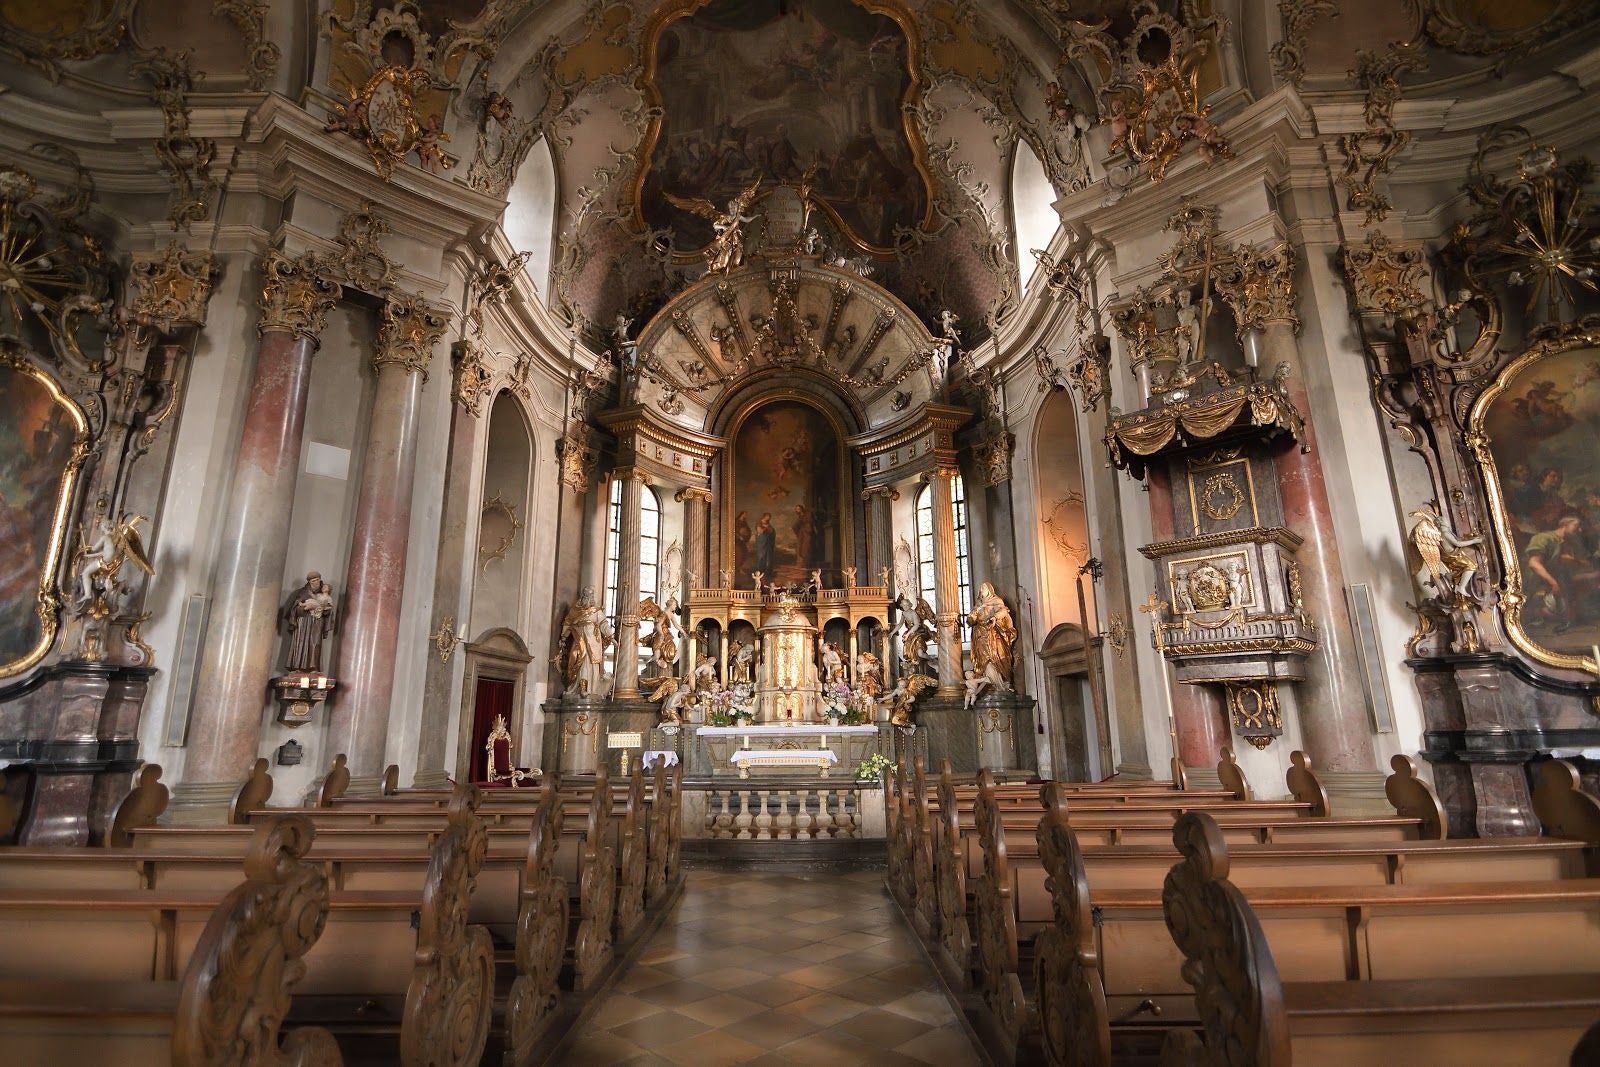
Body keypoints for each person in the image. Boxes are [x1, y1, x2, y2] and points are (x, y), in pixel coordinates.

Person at [282, 572, 335, 673]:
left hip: (317, 621)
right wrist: (304, 608)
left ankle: (314, 668)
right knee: (300, 642)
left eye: (317, 580)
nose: (316, 582)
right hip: (303, 622)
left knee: (315, 643)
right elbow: (295, 609)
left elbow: (329, 610)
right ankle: (297, 667)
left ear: (320, 580)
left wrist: (317, 607)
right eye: (313, 581)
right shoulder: (302, 592)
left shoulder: (324, 594)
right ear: (309, 582)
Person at [967, 581, 1017, 688]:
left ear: (990, 590)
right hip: (980, 636)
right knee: (983, 660)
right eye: (981, 589)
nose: (982, 590)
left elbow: (1003, 611)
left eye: (984, 588)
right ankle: (989, 683)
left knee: (997, 656)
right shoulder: (978, 605)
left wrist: (995, 617)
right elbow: (971, 618)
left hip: (993, 635)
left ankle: (1001, 683)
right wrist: (971, 618)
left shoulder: (996, 601)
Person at [752, 512, 776, 577]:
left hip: (768, 542)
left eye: (769, 517)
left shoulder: (768, 524)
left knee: (767, 556)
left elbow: (771, 531)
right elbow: (760, 531)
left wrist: (770, 529)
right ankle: (759, 570)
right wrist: (766, 528)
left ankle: (767, 571)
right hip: (762, 541)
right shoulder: (759, 523)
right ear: (764, 516)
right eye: (768, 516)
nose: (769, 518)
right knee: (761, 555)